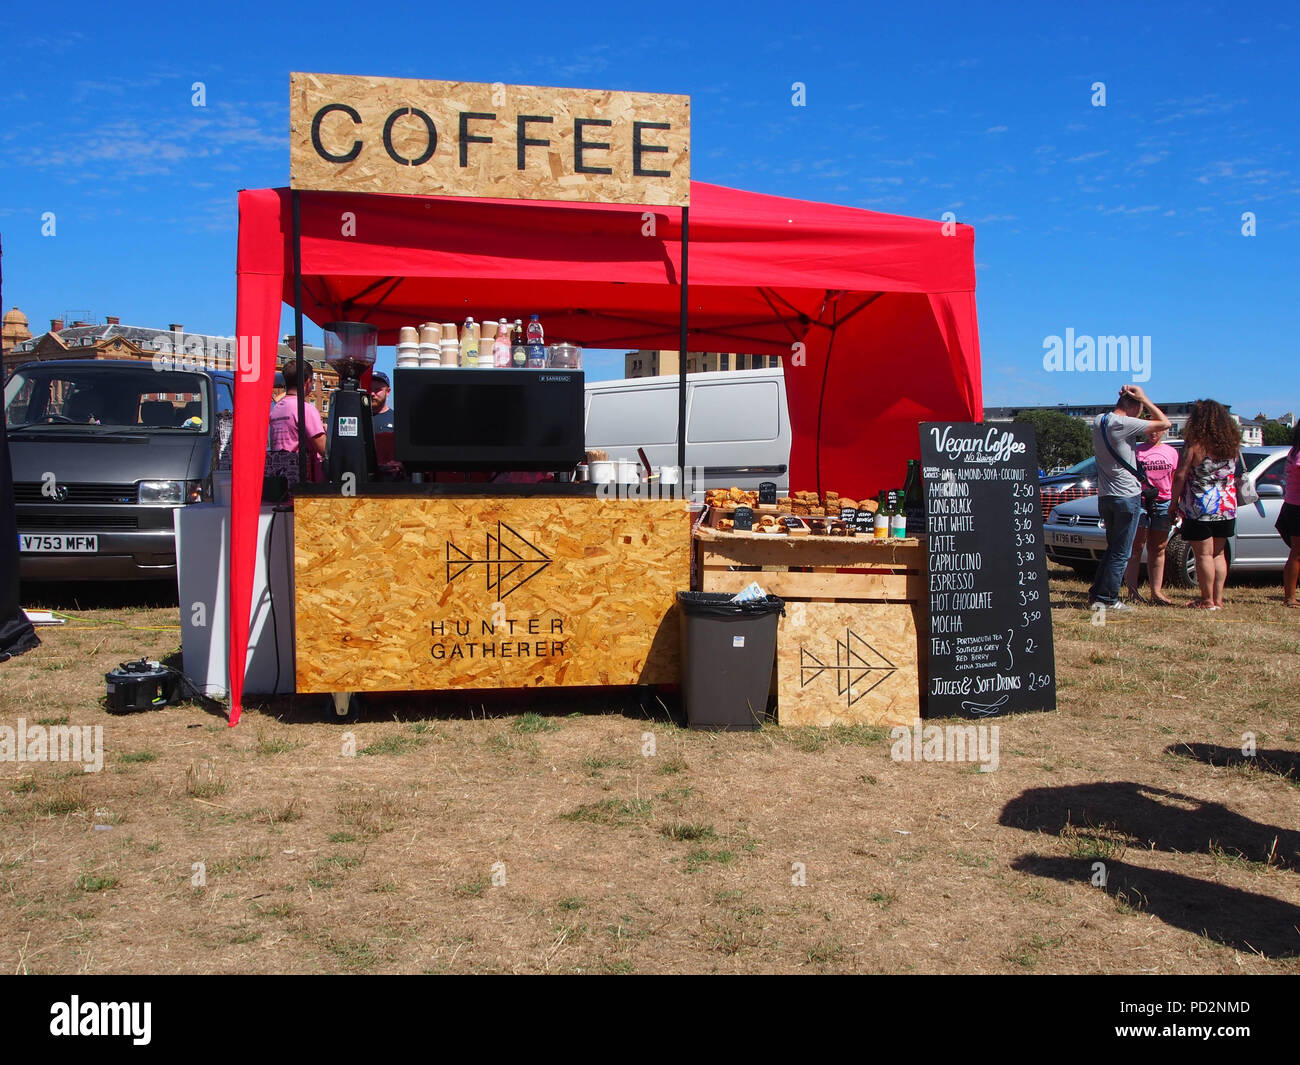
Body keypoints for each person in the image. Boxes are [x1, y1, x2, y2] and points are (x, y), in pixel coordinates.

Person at [1088, 384, 1172, 610]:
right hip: (1126, 495)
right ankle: (1108, 599)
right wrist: (1145, 398)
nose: (1141, 415)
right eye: (1140, 409)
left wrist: (1132, 399)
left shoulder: (1099, 420)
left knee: (1113, 547)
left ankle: (1097, 592)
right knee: (1121, 551)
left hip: (1106, 496)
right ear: (1132, 406)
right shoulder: (1124, 423)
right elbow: (1165, 423)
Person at [1169, 399, 1240, 610]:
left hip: (1200, 505)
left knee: (1203, 554)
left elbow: (1181, 474)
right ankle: (1217, 599)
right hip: (1227, 505)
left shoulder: (1195, 443)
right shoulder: (1232, 444)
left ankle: (1206, 599)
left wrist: (1174, 502)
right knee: (1218, 554)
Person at [1123, 425, 1179, 604]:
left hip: (1163, 502)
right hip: (1140, 502)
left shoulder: (1171, 452)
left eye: (1158, 429)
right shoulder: (1136, 451)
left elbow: (1175, 477)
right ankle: (1132, 592)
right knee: (1136, 547)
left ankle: (1156, 592)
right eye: (1150, 429)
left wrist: (1176, 503)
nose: (1154, 433)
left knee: (1158, 547)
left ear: (1164, 431)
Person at [266, 360, 326, 485]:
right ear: (308, 382)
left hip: (279, 480)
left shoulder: (276, 409)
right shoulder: (305, 409)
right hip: (303, 482)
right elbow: (325, 449)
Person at [1276, 421, 1300, 608]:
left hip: (1292, 506)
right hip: (1297, 508)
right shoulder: (1298, 454)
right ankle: (1290, 597)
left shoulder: (1293, 451)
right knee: (1297, 553)